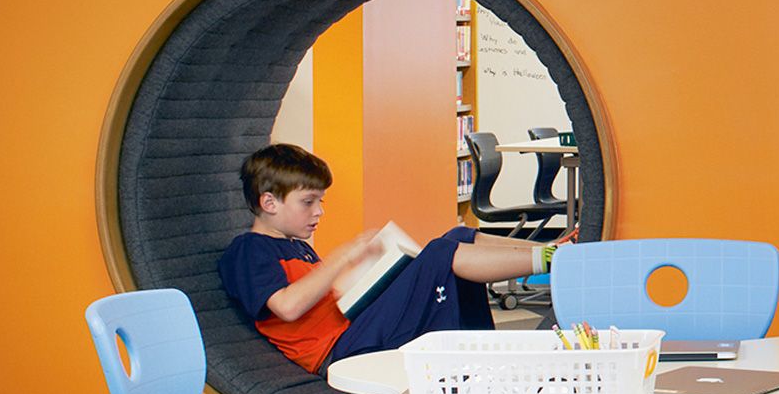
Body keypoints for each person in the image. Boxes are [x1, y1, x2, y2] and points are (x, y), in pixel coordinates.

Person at [217, 144, 566, 372]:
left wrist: (366, 274)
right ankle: (556, 261)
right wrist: (345, 255)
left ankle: (551, 251)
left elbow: (320, 300)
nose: (319, 211)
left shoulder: (297, 245)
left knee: (455, 236)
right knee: (440, 254)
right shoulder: (248, 250)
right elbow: (288, 307)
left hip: (356, 325)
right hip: (340, 352)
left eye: (321, 201)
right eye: (308, 202)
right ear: (269, 203)